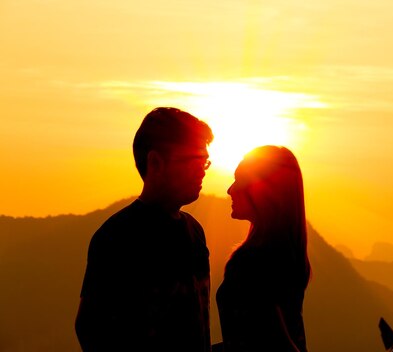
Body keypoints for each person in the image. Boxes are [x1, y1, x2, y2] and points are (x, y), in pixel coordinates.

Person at [75, 107, 214, 352]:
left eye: (205, 161)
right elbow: (90, 328)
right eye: (194, 160)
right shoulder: (118, 237)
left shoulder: (195, 232)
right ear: (156, 162)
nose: (202, 170)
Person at [216, 146, 311, 352]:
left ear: (261, 190)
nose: (230, 190)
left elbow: (275, 343)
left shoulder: (250, 264)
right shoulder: (286, 255)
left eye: (238, 179)